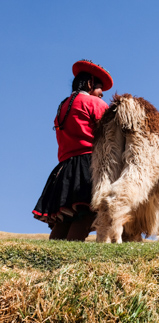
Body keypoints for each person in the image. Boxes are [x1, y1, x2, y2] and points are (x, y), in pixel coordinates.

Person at [33, 59, 113, 240]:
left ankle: (50, 261)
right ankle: (68, 261)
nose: (101, 95)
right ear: (90, 83)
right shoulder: (95, 104)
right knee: (86, 216)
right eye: (100, 89)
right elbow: (110, 136)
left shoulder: (63, 106)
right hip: (89, 165)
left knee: (66, 219)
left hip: (65, 168)